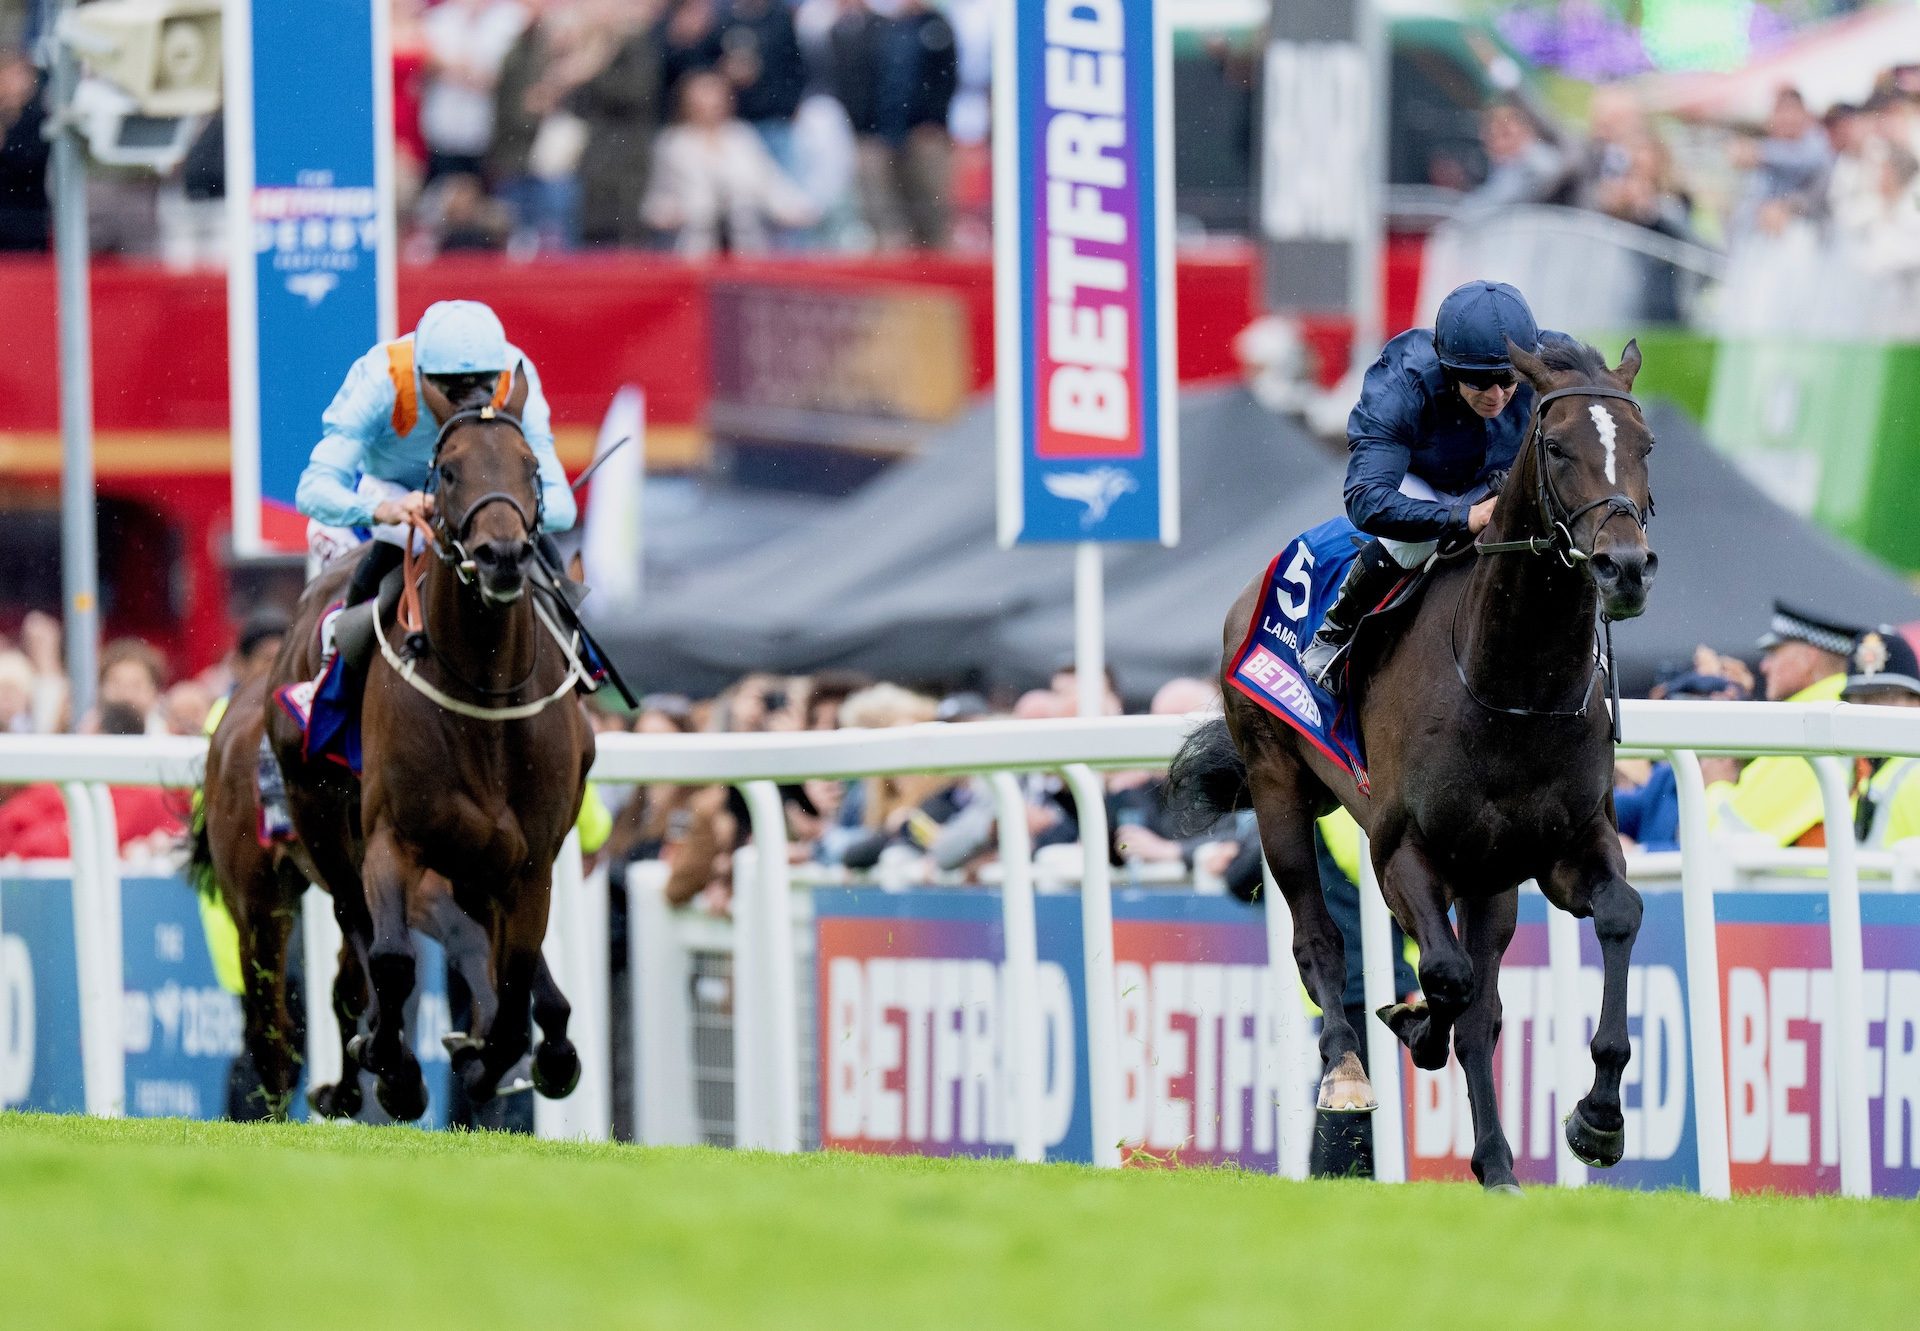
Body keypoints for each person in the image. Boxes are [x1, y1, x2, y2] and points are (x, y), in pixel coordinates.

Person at [1299, 280, 1568, 686]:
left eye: (1509, 379)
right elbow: (1366, 500)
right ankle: (1334, 632)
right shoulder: (1401, 385)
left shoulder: (1555, 361)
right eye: (1480, 382)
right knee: (1414, 541)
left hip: (1499, 482)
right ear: (1450, 369)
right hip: (1422, 483)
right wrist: (1463, 516)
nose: (1497, 395)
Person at [295, 299, 577, 673]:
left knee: (550, 574)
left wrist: (513, 510)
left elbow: (562, 508)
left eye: (482, 384)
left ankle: (581, 665)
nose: (469, 398)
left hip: (471, 502)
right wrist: (384, 510)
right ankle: (331, 678)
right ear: (421, 374)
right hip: (388, 499)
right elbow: (313, 490)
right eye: (451, 388)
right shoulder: (381, 379)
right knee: (383, 572)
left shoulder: (513, 375)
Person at [1704, 602, 1860, 848]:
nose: (1764, 666)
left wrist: (1715, 785)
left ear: (1809, 658)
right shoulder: (1835, 715)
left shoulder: (1810, 726)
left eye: (1774, 652)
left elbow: (1731, 837)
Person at [1843, 628, 1920, 849]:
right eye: (1862, 701)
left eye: (1886, 699)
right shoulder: (1858, 772)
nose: (1871, 713)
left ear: (1916, 702)